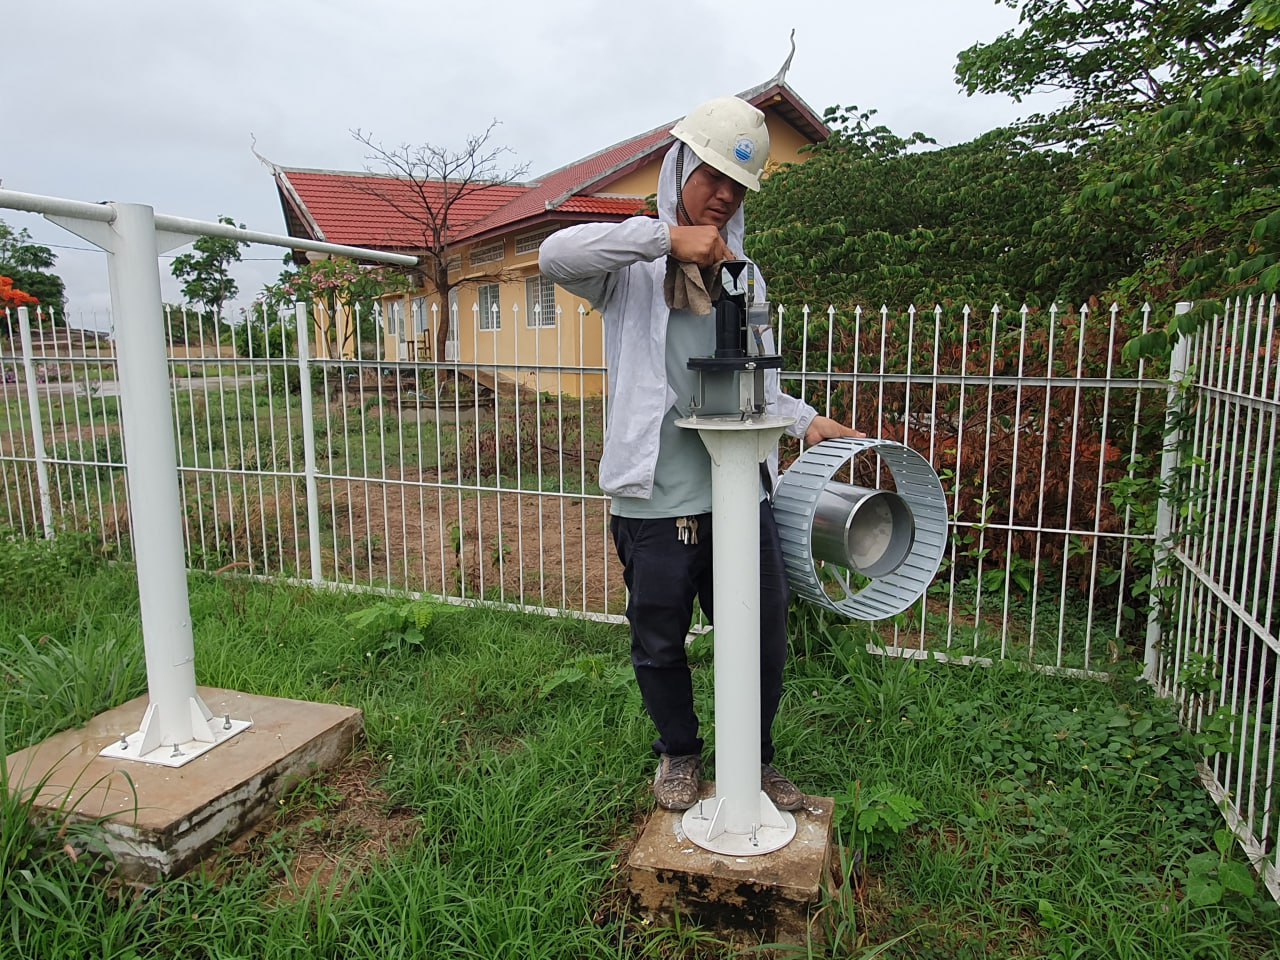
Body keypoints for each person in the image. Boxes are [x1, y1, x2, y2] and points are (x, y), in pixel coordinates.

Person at [540, 96, 859, 811]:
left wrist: (805, 420)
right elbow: (554, 253)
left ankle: (752, 761)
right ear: (679, 168)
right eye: (711, 175)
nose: (723, 195)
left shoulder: (745, 275)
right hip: (657, 496)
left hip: (740, 489)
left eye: (737, 185)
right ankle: (679, 754)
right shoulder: (629, 271)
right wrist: (664, 239)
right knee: (660, 636)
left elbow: (756, 382)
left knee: (761, 634)